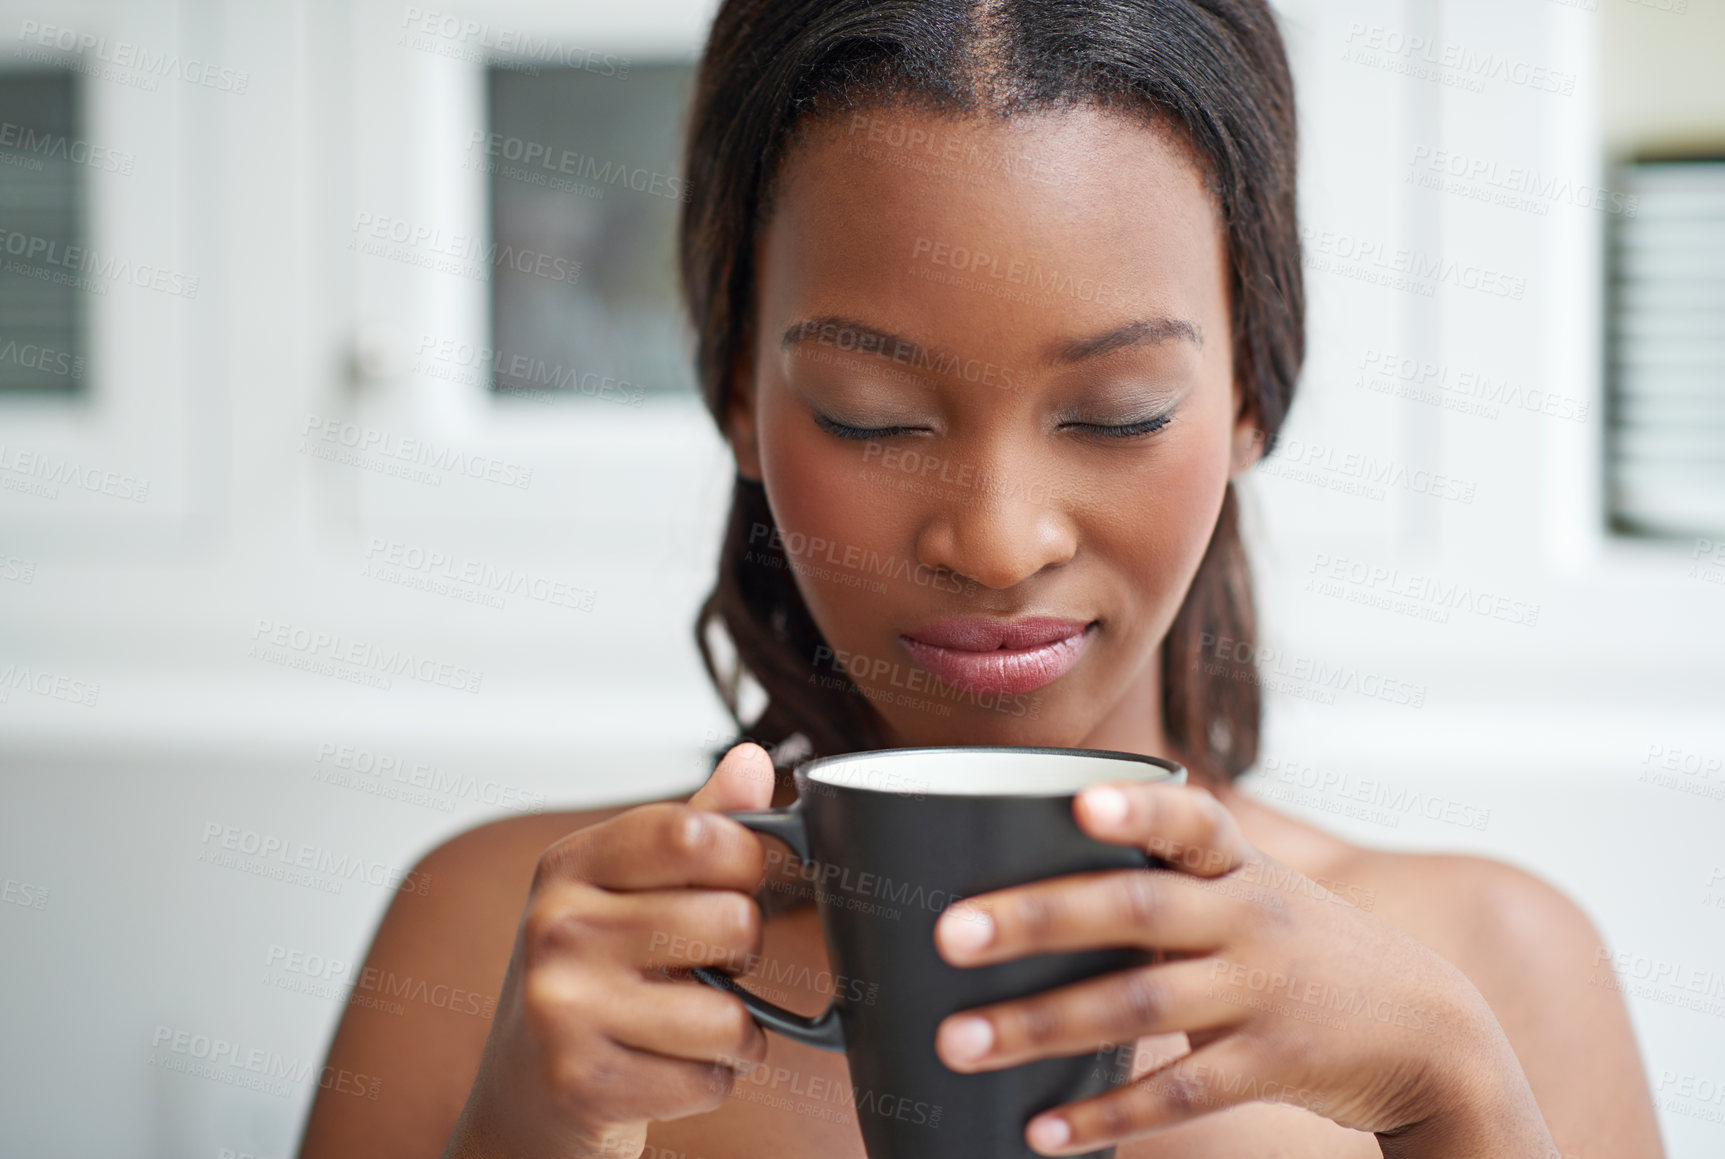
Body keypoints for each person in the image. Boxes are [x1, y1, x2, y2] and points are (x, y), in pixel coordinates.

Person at [296, 1, 1664, 1156]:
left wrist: (1454, 1102)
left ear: (1255, 390)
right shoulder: (503, 950)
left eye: (1120, 409)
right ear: (732, 388)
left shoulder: (1489, 971)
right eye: (871, 413)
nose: (998, 543)